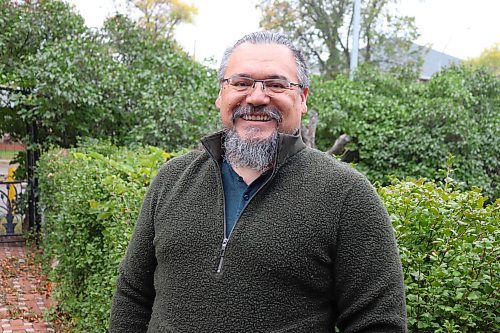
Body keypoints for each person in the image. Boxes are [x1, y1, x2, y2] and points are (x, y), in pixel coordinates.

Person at [109, 31, 407, 332]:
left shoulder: (347, 195)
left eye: (276, 85)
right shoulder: (172, 179)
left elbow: (378, 323)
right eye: (241, 83)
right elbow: (133, 295)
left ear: (302, 98)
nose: (256, 97)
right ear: (220, 95)